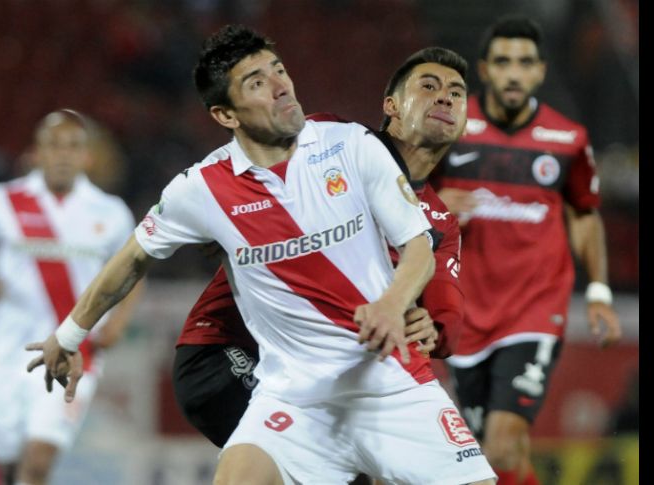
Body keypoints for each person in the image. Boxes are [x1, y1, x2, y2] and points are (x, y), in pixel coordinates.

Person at [26, 25, 496, 485]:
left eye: (279, 70)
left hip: (389, 385)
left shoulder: (351, 144)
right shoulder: (202, 189)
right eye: (256, 82)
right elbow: (132, 258)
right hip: (292, 398)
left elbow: (419, 248)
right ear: (225, 115)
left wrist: (393, 305)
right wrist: (68, 336)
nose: (280, 86)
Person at [172, 47, 471, 455]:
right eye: (429, 86)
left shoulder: (439, 223)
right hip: (226, 349)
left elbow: (447, 317)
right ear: (392, 106)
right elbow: (250, 153)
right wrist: (220, 211)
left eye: (456, 93)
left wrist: (431, 328)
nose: (445, 98)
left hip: (317, 372)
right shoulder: (333, 144)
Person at [432, 16, 623, 485]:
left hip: (534, 307)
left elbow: (584, 215)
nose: (513, 73)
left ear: (540, 71)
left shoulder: (567, 139)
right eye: (503, 62)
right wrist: (434, 205)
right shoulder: (449, 129)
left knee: (502, 442)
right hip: (467, 312)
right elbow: (404, 196)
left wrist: (599, 291)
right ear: (484, 69)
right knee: (490, 456)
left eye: (524, 63)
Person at [0, 109, 142, 485]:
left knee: (39, 459)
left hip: (73, 351)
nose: (63, 155)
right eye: (54, 145)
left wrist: (118, 324)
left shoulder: (110, 212)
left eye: (73, 146)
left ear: (87, 156)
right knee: (5, 459)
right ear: (36, 153)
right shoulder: (3, 202)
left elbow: (134, 271)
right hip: (4, 349)